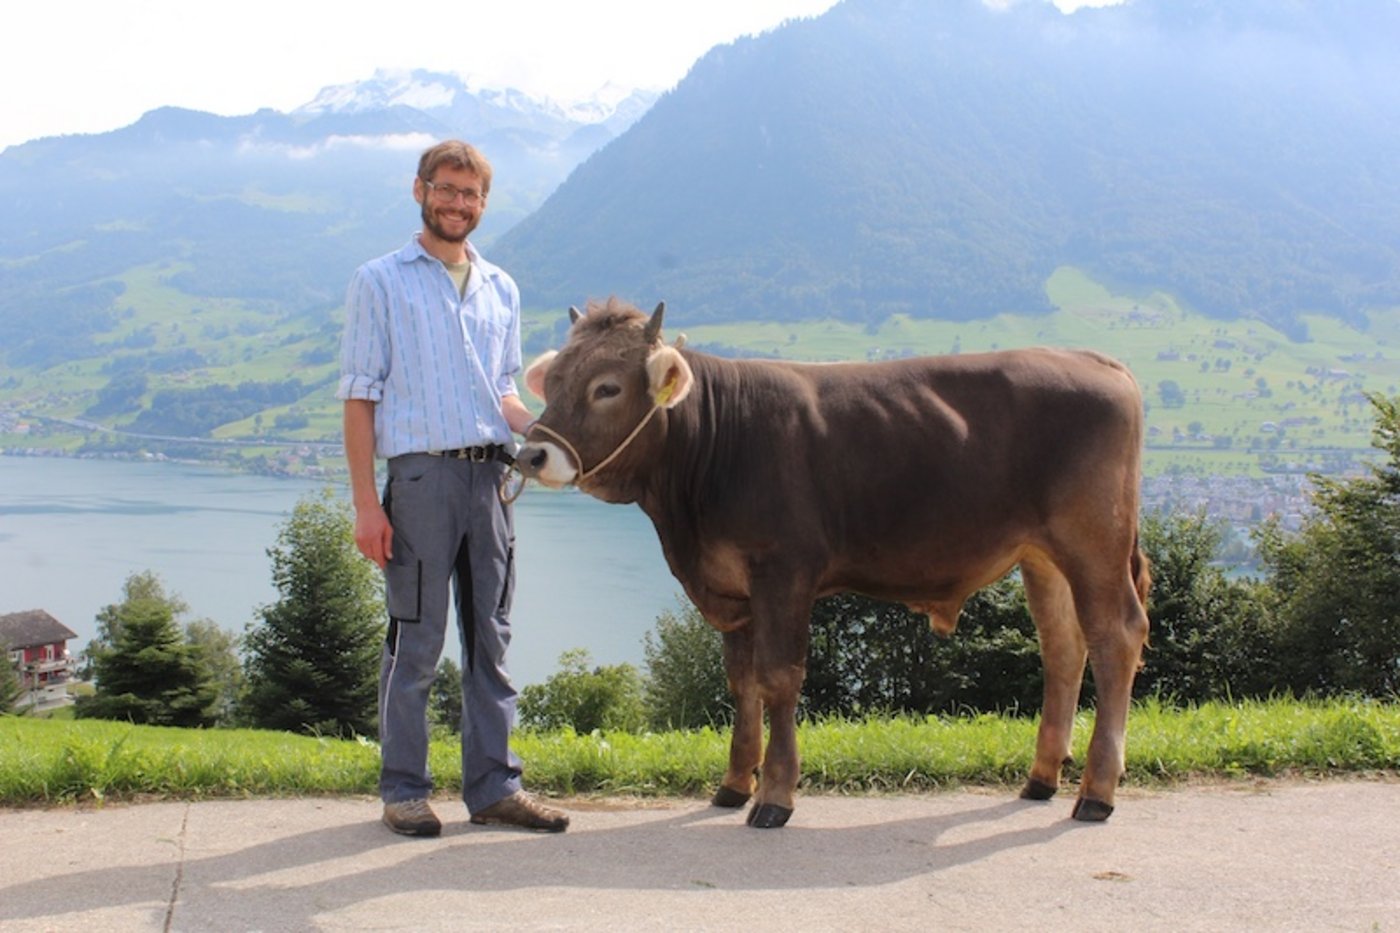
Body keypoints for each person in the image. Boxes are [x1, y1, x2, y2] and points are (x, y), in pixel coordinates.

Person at [338, 139, 567, 837]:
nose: (457, 203)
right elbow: (358, 396)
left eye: (470, 194)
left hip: (491, 480)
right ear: (420, 190)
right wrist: (366, 505)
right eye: (446, 189)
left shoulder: (502, 287)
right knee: (416, 640)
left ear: (483, 203)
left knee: (491, 638)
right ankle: (404, 790)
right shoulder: (380, 280)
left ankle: (495, 788)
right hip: (421, 480)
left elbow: (504, 391)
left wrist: (548, 436)